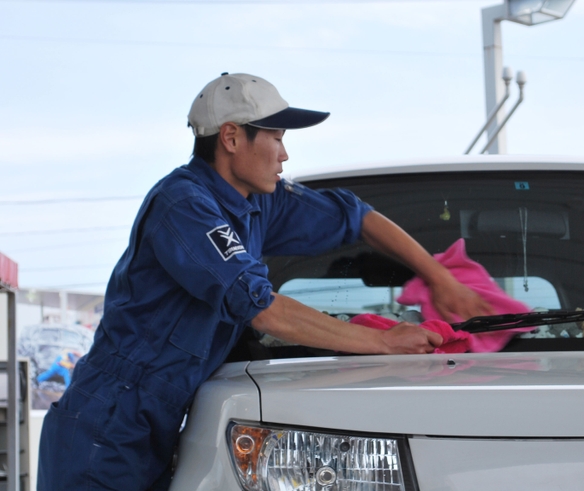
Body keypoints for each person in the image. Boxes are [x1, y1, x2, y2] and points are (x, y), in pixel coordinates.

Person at [37, 72, 492, 491]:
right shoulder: (185, 207)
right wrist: (387, 344)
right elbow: (263, 307)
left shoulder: (259, 204)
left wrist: (440, 278)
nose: (285, 153)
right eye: (275, 136)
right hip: (108, 424)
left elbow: (356, 216)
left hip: (159, 420)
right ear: (232, 137)